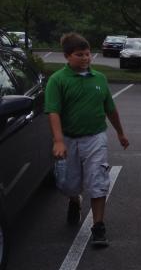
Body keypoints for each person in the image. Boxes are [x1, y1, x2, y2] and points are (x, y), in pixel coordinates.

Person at [45, 32, 129, 247]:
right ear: (67, 56)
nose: (85, 58)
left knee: (98, 181)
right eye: (79, 55)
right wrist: (58, 140)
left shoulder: (99, 78)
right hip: (69, 138)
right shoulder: (58, 80)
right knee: (67, 184)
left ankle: (98, 227)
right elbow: (53, 111)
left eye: (88, 54)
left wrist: (120, 132)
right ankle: (74, 200)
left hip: (95, 137)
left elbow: (110, 109)